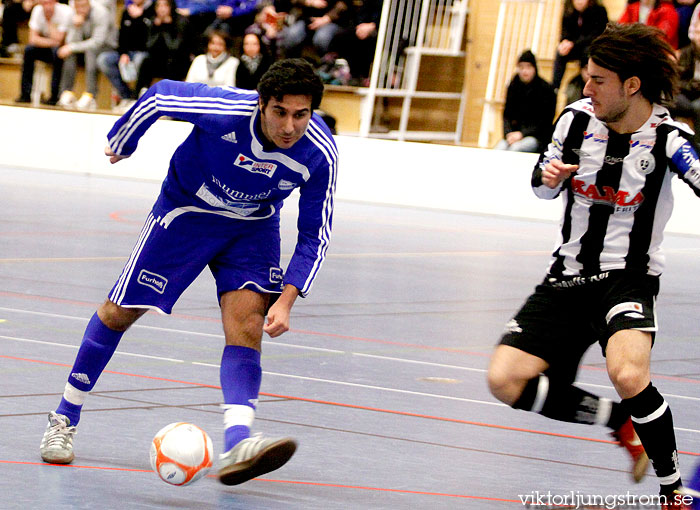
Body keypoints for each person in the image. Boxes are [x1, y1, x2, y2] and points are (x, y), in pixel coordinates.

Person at [38, 58, 337, 486]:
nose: (290, 126)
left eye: (301, 115)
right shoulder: (226, 110)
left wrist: (287, 300)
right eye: (280, 112)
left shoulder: (319, 152)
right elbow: (159, 95)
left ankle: (238, 445)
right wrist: (124, 140)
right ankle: (65, 415)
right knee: (118, 314)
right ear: (260, 104)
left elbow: (315, 233)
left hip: (251, 229)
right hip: (185, 214)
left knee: (248, 324)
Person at [487, 23, 698, 509]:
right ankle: (618, 421)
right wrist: (548, 175)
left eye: (597, 79)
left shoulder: (667, 137)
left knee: (628, 373)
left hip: (627, 278)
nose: (586, 89)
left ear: (631, 85)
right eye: (585, 77)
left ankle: (673, 493)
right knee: (504, 380)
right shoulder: (574, 121)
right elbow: (541, 188)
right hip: (566, 278)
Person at [56, 0, 118, 111]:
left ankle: (90, 94)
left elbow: (98, 42)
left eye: (83, 6)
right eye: (77, 7)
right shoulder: (72, 14)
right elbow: (71, 42)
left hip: (107, 46)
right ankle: (67, 92)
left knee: (90, 51)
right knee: (69, 53)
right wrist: (76, 27)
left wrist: (72, 47)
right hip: (85, 46)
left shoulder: (101, 12)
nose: (80, 9)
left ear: (89, 3)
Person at [96, 0, 155, 112]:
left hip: (145, 52)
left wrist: (140, 18)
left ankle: (138, 98)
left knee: (140, 60)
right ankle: (126, 95)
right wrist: (123, 53)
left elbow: (149, 39)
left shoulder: (152, 10)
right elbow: (122, 37)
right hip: (127, 53)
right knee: (104, 60)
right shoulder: (126, 11)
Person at [494, 50, 556, 153]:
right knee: (499, 149)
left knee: (516, 149)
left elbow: (545, 122)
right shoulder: (514, 86)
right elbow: (507, 114)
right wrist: (508, 133)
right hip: (514, 135)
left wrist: (522, 134)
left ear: (534, 68)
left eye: (528, 67)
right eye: (521, 67)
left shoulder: (545, 89)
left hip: (536, 137)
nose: (524, 71)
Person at [15, 0, 72, 105]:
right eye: (44, 3)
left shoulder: (65, 11)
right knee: (28, 50)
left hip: (62, 50)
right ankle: (25, 94)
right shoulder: (37, 10)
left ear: (55, 2)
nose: (47, 6)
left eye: (50, 3)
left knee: (57, 53)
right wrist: (51, 41)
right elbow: (32, 39)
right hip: (45, 47)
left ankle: (54, 96)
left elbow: (59, 40)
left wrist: (49, 22)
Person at [134, 0, 189, 97]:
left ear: (171, 7)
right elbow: (148, 46)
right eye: (159, 6)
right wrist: (157, 27)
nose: (162, 9)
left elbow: (174, 47)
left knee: (172, 62)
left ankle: (171, 96)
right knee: (145, 62)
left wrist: (167, 27)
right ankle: (138, 95)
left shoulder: (181, 21)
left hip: (178, 60)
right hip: (158, 60)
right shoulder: (152, 21)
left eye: (165, 6)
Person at [551, 0, 607, 92]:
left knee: (587, 54)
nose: (579, 2)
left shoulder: (599, 10)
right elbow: (564, 30)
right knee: (560, 53)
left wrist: (573, 43)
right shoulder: (568, 9)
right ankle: (555, 88)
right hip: (575, 46)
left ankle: (588, 87)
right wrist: (564, 42)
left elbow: (596, 35)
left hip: (593, 47)